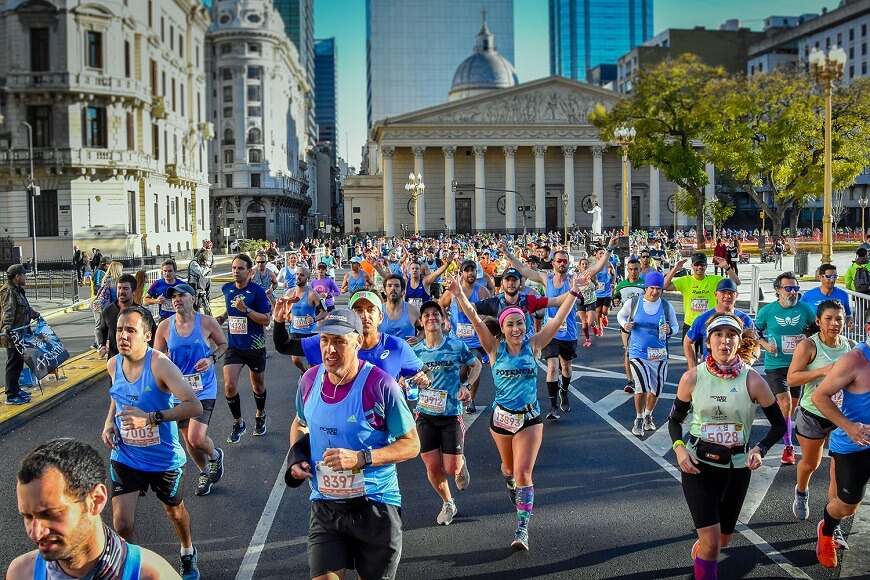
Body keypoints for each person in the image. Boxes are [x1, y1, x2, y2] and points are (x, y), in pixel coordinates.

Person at [447, 269, 589, 550]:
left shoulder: (534, 345)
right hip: (500, 419)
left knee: (525, 473)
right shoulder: (493, 348)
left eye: (520, 324)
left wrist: (574, 292)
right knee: (509, 469)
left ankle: (522, 529)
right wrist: (459, 294)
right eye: (510, 324)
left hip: (529, 418)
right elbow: (476, 320)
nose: (516, 329)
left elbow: (558, 318)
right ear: (503, 328)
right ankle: (510, 482)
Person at [285, 308, 420, 580]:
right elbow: (300, 423)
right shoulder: (310, 380)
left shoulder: (381, 385)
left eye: (339, 341)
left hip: (375, 505)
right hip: (326, 505)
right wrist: (297, 457)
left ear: (358, 341)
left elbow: (411, 444)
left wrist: (362, 459)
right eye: (324, 340)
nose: (329, 349)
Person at [669, 314, 786, 580]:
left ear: (738, 341)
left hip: (736, 468)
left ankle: (706, 548)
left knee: (723, 540)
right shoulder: (692, 378)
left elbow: (779, 425)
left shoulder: (753, 380)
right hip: (699, 465)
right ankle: (706, 551)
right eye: (718, 335)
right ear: (708, 342)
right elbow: (675, 420)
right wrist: (679, 447)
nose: (725, 341)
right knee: (712, 543)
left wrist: (761, 449)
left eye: (731, 335)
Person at [100, 305, 204, 579]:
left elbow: (194, 407)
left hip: (163, 459)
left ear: (147, 335)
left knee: (175, 512)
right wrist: (109, 422)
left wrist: (150, 418)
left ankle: (187, 551)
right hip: (126, 455)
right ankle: (136, 570)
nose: (123, 335)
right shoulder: (113, 364)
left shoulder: (160, 365)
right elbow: (117, 395)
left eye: (130, 330)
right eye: (120, 329)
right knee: (122, 523)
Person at [7, 438, 180, 580]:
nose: (36, 533)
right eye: (28, 516)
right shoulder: (20, 573)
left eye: (50, 514)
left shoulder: (153, 575)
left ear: (96, 500)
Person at [786, 300, 852, 549]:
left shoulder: (850, 347)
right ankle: (801, 492)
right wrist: (823, 371)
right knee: (811, 463)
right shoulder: (808, 345)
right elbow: (792, 377)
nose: (835, 324)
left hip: (840, 417)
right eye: (829, 318)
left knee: (838, 470)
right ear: (818, 321)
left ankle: (832, 528)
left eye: (839, 319)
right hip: (813, 414)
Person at [154, 283, 229, 497]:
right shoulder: (165, 327)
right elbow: (157, 356)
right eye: (173, 297)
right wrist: (164, 361)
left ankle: (215, 455)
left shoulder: (206, 322)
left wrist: (211, 358)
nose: (176, 300)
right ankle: (204, 471)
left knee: (196, 438)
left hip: (204, 388)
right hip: (179, 391)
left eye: (181, 295)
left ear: (192, 298)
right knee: (188, 440)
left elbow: (223, 344)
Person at [811, 304, 870, 567]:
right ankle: (827, 528)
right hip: (854, 446)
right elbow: (819, 396)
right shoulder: (856, 360)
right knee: (847, 506)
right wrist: (848, 426)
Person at [412, 300, 481, 525]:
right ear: (421, 322)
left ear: (443, 319)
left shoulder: (455, 346)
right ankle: (448, 502)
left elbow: (477, 365)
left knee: (452, 468)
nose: (431, 318)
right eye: (427, 315)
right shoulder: (415, 352)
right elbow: (403, 378)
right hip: (425, 416)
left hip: (451, 415)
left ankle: (461, 463)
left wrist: (467, 386)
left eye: (436, 314)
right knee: (432, 466)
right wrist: (413, 381)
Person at [274, 290, 429, 387]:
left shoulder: (397, 346)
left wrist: (424, 379)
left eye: (370, 310)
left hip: (386, 435)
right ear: (350, 314)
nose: (364, 315)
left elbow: (426, 372)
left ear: (380, 316)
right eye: (358, 310)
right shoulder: (334, 342)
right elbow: (285, 346)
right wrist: (279, 320)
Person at [755, 272, 816, 466]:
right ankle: (788, 446)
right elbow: (755, 331)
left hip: (798, 365)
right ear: (778, 291)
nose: (793, 292)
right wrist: (765, 344)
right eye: (788, 288)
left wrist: (806, 339)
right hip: (775, 364)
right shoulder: (768, 311)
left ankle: (783, 430)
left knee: (792, 407)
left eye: (796, 289)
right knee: (785, 403)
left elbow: (816, 330)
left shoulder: (805, 309)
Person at [214, 254, 272, 443]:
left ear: (249, 272)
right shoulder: (227, 289)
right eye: (234, 268)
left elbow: (266, 319)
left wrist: (246, 310)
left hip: (255, 346)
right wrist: (223, 317)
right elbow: (231, 308)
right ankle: (239, 423)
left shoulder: (257, 292)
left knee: (258, 386)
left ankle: (260, 415)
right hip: (235, 347)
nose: (236, 272)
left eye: (240, 268)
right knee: (229, 386)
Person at [617, 272, 678, 436]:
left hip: (659, 354)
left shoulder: (666, 306)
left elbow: (675, 326)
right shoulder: (634, 303)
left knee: (656, 389)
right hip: (638, 353)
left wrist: (670, 330)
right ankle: (638, 418)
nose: (655, 292)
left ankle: (648, 415)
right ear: (646, 288)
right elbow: (621, 315)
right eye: (652, 288)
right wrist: (625, 325)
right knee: (641, 387)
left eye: (658, 289)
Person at [438, 259, 492, 413]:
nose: (471, 273)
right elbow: (441, 304)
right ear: (461, 273)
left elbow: (490, 311)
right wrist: (446, 320)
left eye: (473, 270)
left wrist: (480, 320)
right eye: (467, 270)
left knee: (474, 366)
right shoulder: (452, 291)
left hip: (476, 341)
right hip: (457, 341)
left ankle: (471, 400)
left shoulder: (481, 291)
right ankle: (463, 392)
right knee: (461, 372)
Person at [664, 252, 739, 359]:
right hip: (690, 324)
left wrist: (726, 267)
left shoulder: (714, 280)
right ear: (692, 266)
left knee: (710, 359)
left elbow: (735, 283)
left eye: (702, 264)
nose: (699, 267)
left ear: (706, 266)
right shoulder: (686, 280)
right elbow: (664, 285)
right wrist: (675, 268)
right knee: (691, 360)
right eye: (697, 264)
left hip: (709, 325)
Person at [683, 279, 754, 369]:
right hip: (710, 372)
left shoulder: (746, 320)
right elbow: (688, 341)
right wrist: (693, 367)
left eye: (731, 293)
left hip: (738, 373)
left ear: (736, 295)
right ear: (715, 294)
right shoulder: (704, 318)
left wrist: (748, 363)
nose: (727, 296)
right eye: (723, 292)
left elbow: (754, 345)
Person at [0, 264, 40, 405]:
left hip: (22, 333)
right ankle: (11, 395)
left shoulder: (17, 290)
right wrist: (7, 328)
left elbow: (25, 308)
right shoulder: (9, 291)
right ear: (17, 276)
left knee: (19, 363)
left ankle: (16, 389)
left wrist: (36, 315)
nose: (26, 277)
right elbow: (8, 311)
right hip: (14, 335)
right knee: (13, 363)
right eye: (24, 275)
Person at [98, 273, 156, 359]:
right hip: (115, 360)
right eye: (119, 288)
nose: (121, 292)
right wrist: (102, 345)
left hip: (138, 361)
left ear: (134, 292)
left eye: (125, 289)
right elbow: (102, 330)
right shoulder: (107, 311)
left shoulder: (143, 313)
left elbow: (153, 335)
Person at [615, 259, 646, 394]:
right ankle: (630, 381)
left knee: (644, 352)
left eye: (636, 269)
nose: (633, 272)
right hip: (627, 324)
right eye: (631, 269)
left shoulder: (645, 284)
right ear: (627, 270)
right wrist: (615, 300)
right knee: (628, 351)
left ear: (640, 269)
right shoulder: (621, 285)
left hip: (643, 324)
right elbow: (616, 298)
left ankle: (643, 377)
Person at [287, 265, 325, 372]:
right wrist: (287, 315)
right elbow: (284, 309)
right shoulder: (290, 293)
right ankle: (305, 372)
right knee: (295, 359)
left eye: (302, 275)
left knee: (313, 363)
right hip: (295, 331)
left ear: (307, 278)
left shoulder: (313, 294)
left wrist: (314, 319)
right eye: (297, 274)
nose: (298, 277)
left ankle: (311, 375)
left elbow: (324, 312)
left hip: (310, 332)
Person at [801, 264, 854, 330]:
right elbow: (799, 314)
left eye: (835, 277)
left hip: (834, 334)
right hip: (813, 334)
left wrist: (850, 322)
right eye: (828, 276)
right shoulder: (808, 296)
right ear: (820, 277)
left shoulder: (843, 295)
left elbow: (848, 315)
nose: (832, 280)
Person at [380, 274, 421, 340]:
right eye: (389, 286)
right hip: (383, 350)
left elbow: (425, 329)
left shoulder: (413, 310)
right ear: (384, 291)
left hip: (407, 349)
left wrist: (418, 338)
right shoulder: (378, 311)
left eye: (397, 286)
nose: (393, 288)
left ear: (403, 291)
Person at [251, 252, 278, 328]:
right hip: (255, 297)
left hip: (267, 296)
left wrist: (272, 289)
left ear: (266, 262)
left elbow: (275, 283)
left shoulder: (270, 273)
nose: (260, 264)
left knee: (275, 307)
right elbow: (246, 284)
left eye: (262, 262)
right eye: (258, 262)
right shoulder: (252, 272)